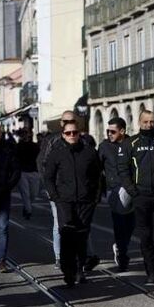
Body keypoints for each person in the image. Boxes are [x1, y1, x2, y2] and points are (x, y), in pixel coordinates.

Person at [118, 110, 154, 286]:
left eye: (152, 122)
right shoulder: (130, 143)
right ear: (139, 122)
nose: (149, 125)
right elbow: (123, 169)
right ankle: (152, 272)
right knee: (146, 236)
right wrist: (132, 190)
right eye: (146, 122)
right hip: (140, 196)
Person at [43, 120, 102, 287]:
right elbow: (48, 177)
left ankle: (80, 269)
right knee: (67, 236)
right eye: (68, 133)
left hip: (85, 202)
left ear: (79, 133)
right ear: (63, 135)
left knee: (82, 238)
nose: (72, 136)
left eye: (74, 132)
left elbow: (98, 176)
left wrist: (95, 198)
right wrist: (55, 196)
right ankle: (68, 271)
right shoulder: (56, 152)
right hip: (65, 201)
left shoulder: (89, 152)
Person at [98, 117, 135, 271]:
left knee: (131, 224)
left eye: (112, 131)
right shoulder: (104, 146)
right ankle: (122, 254)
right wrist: (99, 191)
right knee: (119, 222)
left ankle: (120, 246)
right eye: (108, 131)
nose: (109, 134)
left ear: (122, 131)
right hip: (114, 188)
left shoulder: (132, 143)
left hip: (134, 188)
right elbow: (97, 169)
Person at [0, 120, 20, 273]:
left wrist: (8, 186)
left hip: (3, 193)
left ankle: (1, 260)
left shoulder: (8, 148)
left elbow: (16, 170)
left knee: (2, 228)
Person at [14, 128, 40, 220]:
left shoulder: (35, 146)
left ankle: (26, 207)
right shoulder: (17, 146)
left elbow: (40, 158)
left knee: (34, 193)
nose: (25, 135)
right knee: (25, 194)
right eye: (23, 134)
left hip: (33, 171)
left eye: (26, 133)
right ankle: (28, 211)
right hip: (22, 172)